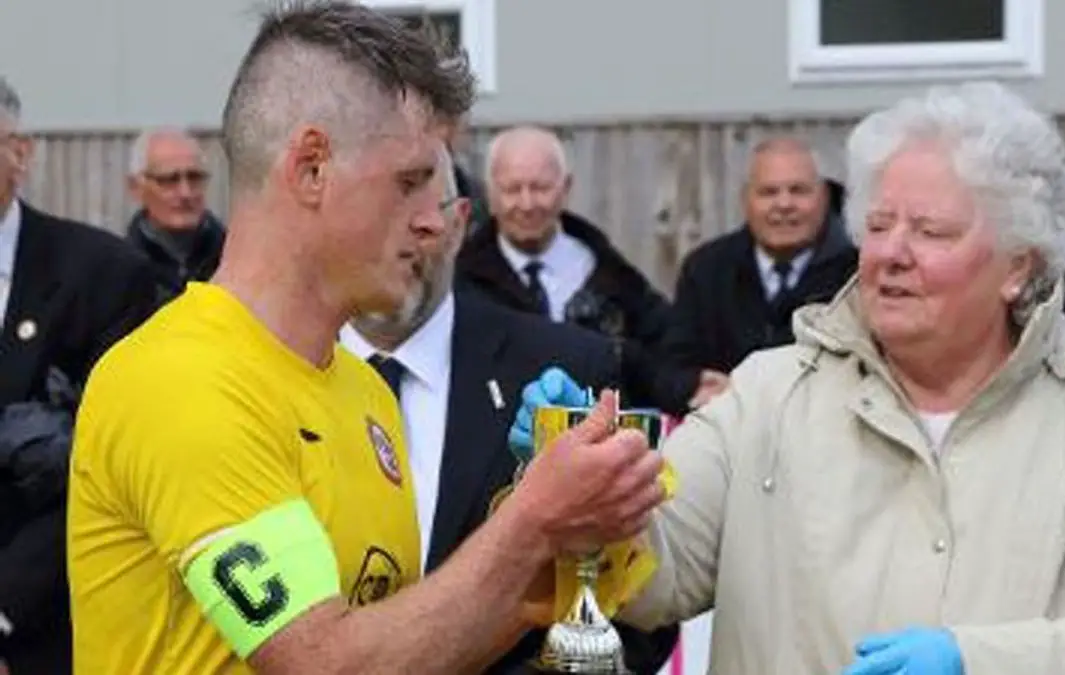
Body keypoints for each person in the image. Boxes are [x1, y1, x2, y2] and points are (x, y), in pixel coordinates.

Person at [515, 81, 1065, 673]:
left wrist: (979, 660)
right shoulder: (770, 393)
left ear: (1018, 265)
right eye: (877, 224)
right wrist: (588, 485)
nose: (892, 254)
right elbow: (653, 574)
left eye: (930, 231)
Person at [66, 4, 665, 674]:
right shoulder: (182, 382)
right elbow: (321, 664)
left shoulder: (361, 389)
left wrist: (576, 519)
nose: (433, 223)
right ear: (312, 167)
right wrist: (530, 521)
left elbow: (418, 645)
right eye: (409, 182)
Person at [339, 144, 679, 673]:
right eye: (372, 219)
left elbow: (633, 617)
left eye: (421, 224)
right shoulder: (271, 372)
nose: (396, 244)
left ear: (459, 224)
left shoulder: (567, 365)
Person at [0, 75, 160, 675]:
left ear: (20, 152)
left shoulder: (104, 274)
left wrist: (5, 610)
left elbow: (107, 465)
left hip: (50, 630)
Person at [456, 125, 710, 414]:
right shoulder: (462, 281)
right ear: (490, 194)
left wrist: (686, 385)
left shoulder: (608, 271)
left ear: (566, 188)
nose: (526, 204)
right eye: (512, 189)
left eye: (540, 188)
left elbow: (663, 349)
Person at [661, 137, 857, 381]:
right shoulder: (706, 269)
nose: (784, 204)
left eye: (798, 191)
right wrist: (694, 386)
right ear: (746, 200)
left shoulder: (857, 272)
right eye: (768, 192)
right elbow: (671, 365)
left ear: (825, 197)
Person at [125, 127, 226, 295]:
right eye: (169, 180)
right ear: (136, 187)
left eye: (194, 177)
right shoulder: (121, 269)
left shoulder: (234, 263)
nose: (185, 193)